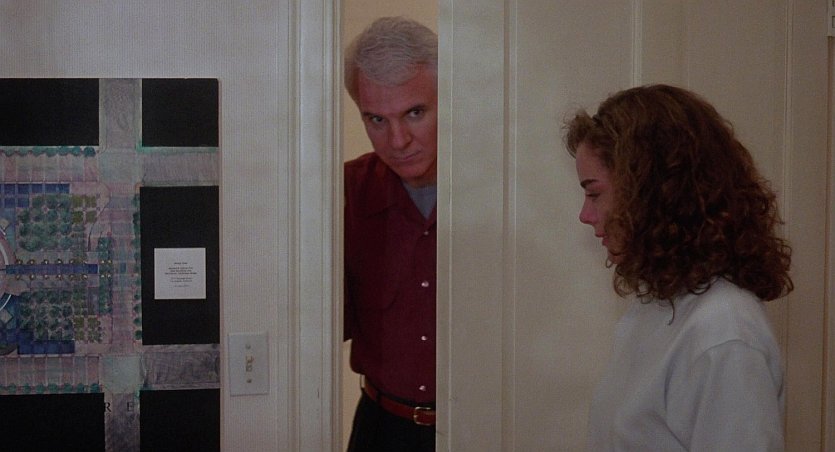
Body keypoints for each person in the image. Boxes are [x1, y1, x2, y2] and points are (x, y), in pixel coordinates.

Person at [564, 84, 793, 451]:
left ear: (649, 192)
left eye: (594, 193)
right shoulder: (657, 308)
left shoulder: (724, 334)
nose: (585, 215)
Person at [343, 16, 438, 452]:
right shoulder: (344, 193)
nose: (397, 140)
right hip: (381, 428)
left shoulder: (501, 190)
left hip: (483, 425)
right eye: (377, 119)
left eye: (414, 113)